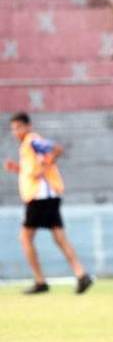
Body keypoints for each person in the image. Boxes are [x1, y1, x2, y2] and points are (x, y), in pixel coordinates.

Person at [4, 113, 93, 295]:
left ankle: (40, 281)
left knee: (25, 238)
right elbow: (33, 170)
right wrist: (19, 169)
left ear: (28, 126)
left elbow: (56, 149)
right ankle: (81, 274)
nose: (15, 132)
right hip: (46, 196)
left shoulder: (32, 140)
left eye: (18, 127)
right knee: (59, 237)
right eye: (13, 128)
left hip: (40, 197)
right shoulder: (27, 146)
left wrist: (45, 167)